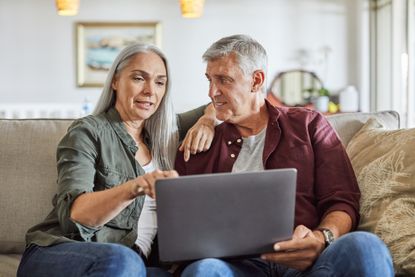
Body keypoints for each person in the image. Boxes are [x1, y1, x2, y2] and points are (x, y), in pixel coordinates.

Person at [175, 35, 394, 276]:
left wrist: (322, 238)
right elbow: (182, 227)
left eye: (223, 80)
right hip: (237, 267)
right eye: (209, 80)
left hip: (309, 264)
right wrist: (207, 118)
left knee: (365, 245)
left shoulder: (308, 125)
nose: (211, 92)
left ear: (256, 80)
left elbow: (342, 200)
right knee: (204, 270)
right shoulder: (198, 145)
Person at [17, 43, 216, 277]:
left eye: (160, 82)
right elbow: (76, 216)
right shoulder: (87, 132)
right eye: (139, 78)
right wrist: (136, 187)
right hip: (64, 251)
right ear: (115, 81)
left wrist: (207, 120)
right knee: (123, 259)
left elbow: (220, 104)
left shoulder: (167, 133)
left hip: (134, 264)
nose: (150, 91)